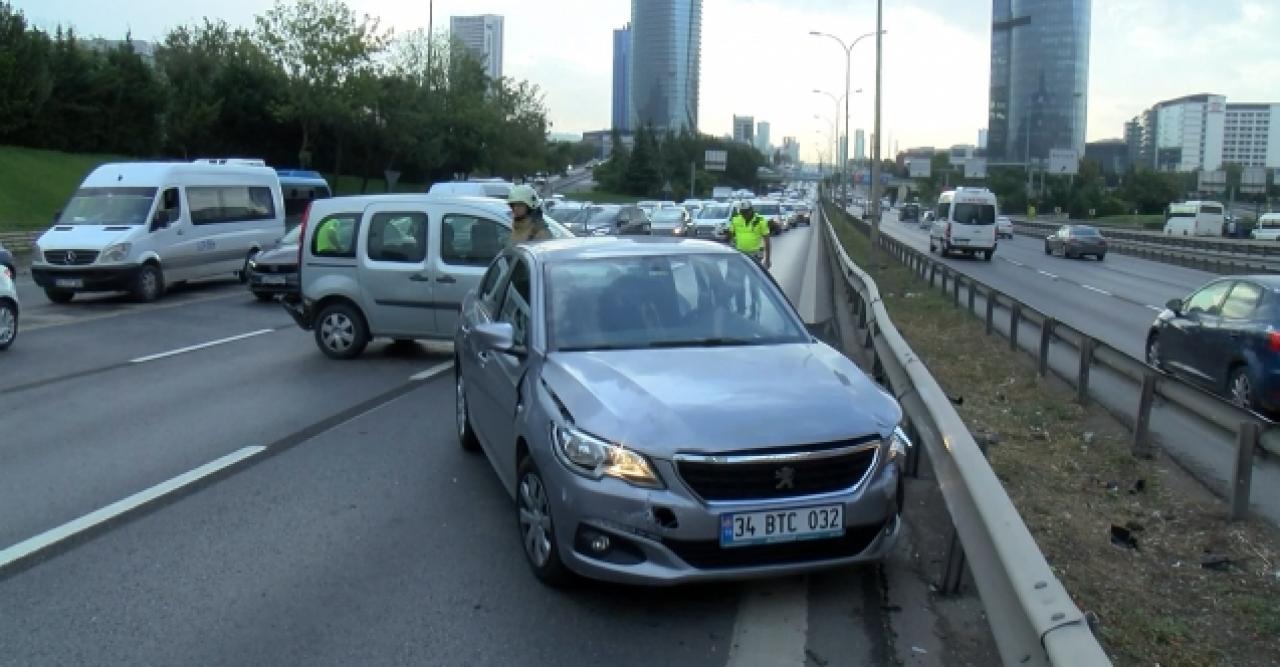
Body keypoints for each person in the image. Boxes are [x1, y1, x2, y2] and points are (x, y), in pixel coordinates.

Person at [727, 200, 771, 269]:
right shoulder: (735, 219)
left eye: (746, 212)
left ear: (751, 209)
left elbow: (767, 241)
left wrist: (767, 259)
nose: (744, 214)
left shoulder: (760, 220)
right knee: (739, 277)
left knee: (756, 277)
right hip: (740, 254)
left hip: (756, 255)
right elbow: (729, 236)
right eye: (742, 212)